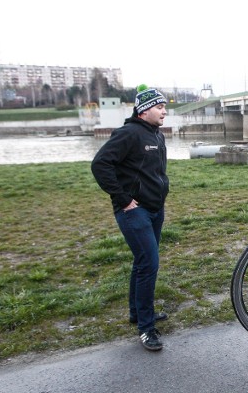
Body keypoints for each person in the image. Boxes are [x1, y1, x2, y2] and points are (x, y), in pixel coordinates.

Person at [91, 84, 170, 351]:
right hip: (134, 211)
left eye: (164, 107)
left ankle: (138, 313)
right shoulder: (128, 133)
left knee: (142, 262)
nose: (164, 112)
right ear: (145, 109)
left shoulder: (157, 135)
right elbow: (100, 164)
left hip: (155, 209)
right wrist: (124, 199)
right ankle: (146, 329)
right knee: (149, 264)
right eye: (160, 107)